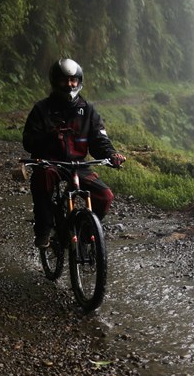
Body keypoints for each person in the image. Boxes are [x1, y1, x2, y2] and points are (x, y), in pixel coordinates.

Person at [22, 58, 126, 248]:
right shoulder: (41, 110)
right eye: (64, 80)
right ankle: (43, 230)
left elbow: (99, 140)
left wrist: (111, 154)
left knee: (105, 196)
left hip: (79, 165)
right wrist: (50, 137)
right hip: (51, 163)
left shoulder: (88, 111)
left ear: (79, 81)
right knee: (42, 180)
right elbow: (28, 141)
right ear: (55, 81)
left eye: (73, 80)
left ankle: (85, 234)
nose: (69, 84)